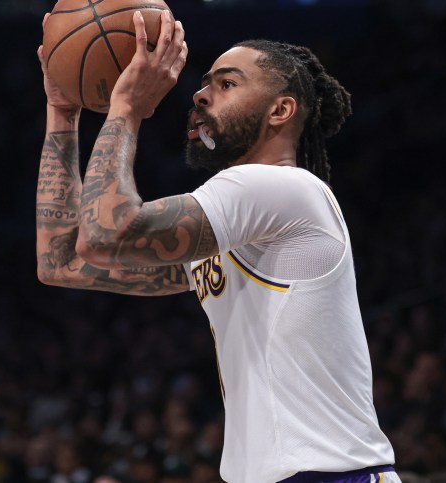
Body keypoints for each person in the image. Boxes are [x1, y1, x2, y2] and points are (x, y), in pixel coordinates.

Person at [35, 9, 397, 483]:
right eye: (204, 83)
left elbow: (104, 235)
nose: (200, 94)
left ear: (280, 110)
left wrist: (126, 107)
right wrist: (63, 111)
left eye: (227, 84)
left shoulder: (281, 189)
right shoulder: (238, 229)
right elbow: (60, 261)